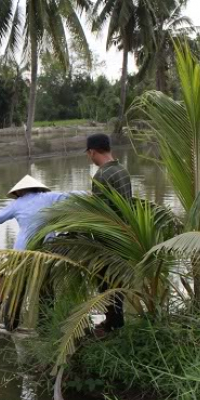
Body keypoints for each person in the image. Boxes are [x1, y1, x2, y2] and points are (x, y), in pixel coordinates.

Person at [0, 175, 81, 326]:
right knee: (45, 288)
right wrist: (96, 195)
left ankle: (11, 323)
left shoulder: (17, 204)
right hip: (46, 251)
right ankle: (45, 324)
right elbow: (73, 196)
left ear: (20, 192)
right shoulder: (49, 197)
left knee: (18, 287)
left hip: (22, 252)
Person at [87, 133, 132, 333]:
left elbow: (98, 212)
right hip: (124, 235)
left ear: (93, 151)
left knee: (106, 282)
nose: (90, 157)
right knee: (117, 280)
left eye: (89, 153)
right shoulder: (122, 171)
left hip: (107, 239)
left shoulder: (102, 176)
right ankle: (114, 321)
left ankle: (113, 324)